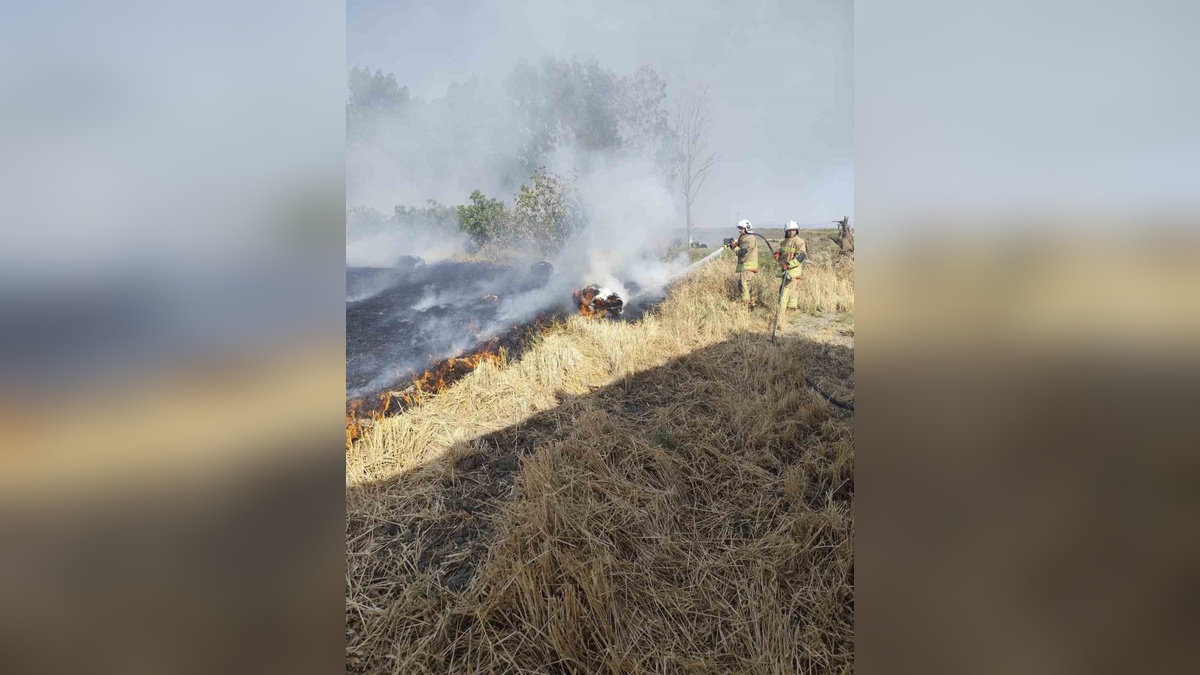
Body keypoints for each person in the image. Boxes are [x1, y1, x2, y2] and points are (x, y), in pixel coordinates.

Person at [774, 220, 807, 330]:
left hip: (792, 272)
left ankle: (780, 318)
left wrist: (788, 264)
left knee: (784, 293)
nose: (791, 232)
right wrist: (778, 253)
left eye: (793, 230)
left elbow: (801, 257)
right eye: (789, 230)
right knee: (792, 291)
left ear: (796, 230)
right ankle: (792, 310)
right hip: (785, 271)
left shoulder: (799, 242)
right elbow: (782, 251)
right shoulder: (785, 241)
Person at [726, 219, 758, 307]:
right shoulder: (743, 237)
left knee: (744, 283)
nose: (740, 230)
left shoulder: (750, 238)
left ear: (747, 228)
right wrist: (733, 243)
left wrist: (734, 247)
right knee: (741, 284)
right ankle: (748, 301)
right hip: (745, 266)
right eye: (739, 228)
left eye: (741, 228)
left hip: (749, 265)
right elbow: (739, 243)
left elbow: (742, 252)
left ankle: (746, 303)